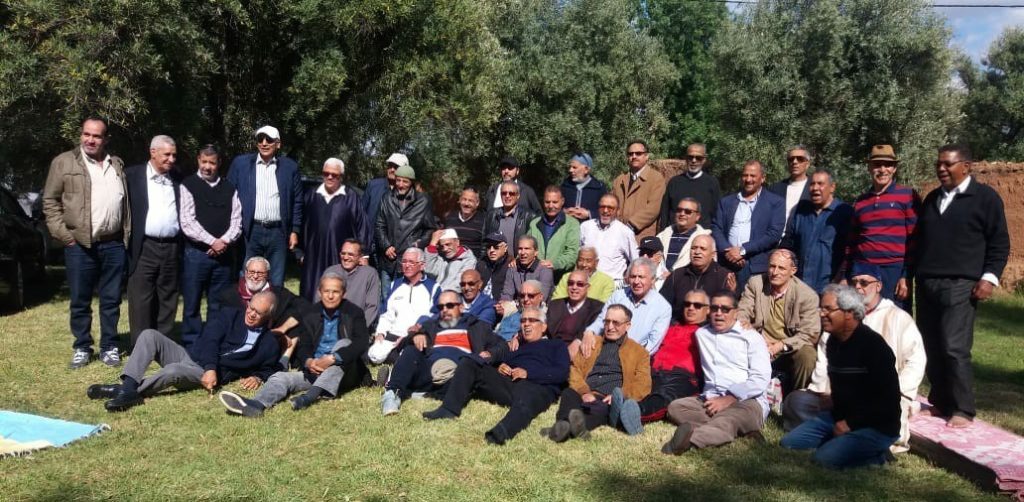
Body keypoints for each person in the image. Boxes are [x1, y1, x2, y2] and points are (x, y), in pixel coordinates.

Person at [914, 144, 1010, 428]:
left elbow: (999, 242)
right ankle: (941, 401)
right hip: (928, 282)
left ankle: (963, 409)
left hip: (961, 284)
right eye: (939, 164)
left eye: (948, 164)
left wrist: (989, 278)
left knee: (954, 346)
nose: (941, 168)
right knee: (931, 344)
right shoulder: (933, 199)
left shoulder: (985, 199)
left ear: (966, 166)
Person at [784, 262, 926, 453]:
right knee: (796, 401)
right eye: (854, 282)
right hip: (843, 397)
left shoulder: (899, 318)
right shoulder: (837, 319)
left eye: (864, 283)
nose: (858, 287)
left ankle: (864, 444)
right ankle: (840, 435)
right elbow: (825, 359)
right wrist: (822, 389)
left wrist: (901, 392)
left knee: (888, 417)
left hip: (884, 396)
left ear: (878, 286)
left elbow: (915, 360)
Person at [87, 291, 283, 412]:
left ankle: (124, 392)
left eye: (258, 313)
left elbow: (270, 368)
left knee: (173, 371)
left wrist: (258, 377)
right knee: (149, 335)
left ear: (268, 316)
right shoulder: (230, 315)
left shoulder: (268, 344)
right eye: (251, 307)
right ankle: (128, 387)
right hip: (193, 356)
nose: (251, 313)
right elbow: (210, 339)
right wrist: (210, 367)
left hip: (202, 373)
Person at [781, 285, 901, 468]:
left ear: (849, 313)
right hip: (839, 418)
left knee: (823, 460)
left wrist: (850, 424)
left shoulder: (874, 347)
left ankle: (878, 456)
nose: (821, 314)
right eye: (821, 308)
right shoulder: (833, 343)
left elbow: (886, 402)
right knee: (789, 443)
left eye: (828, 309)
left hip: (876, 426)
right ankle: (844, 444)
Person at [42, 116, 130, 369]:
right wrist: (65, 236)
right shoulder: (64, 162)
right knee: (80, 300)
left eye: (96, 136)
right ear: (81, 135)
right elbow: (50, 201)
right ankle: (82, 347)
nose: (90, 140)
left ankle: (109, 346)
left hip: (113, 244)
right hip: (79, 244)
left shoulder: (116, 163)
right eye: (86, 134)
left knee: (111, 300)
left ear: (106, 139)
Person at [218, 273, 368, 416]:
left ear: (344, 293)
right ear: (319, 292)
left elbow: (361, 343)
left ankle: (309, 397)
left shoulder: (354, 313)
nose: (330, 296)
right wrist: (309, 361)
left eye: (335, 292)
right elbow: (304, 345)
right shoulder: (311, 313)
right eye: (326, 291)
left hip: (346, 373)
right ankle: (256, 405)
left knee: (343, 344)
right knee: (280, 377)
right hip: (314, 372)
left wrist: (332, 359)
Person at [422, 306, 570, 445]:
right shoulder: (516, 347)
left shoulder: (556, 345)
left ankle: (501, 433)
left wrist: (529, 374)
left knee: (528, 399)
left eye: (532, 320)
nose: (526, 324)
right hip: (509, 384)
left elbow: (562, 373)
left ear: (543, 327)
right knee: (470, 362)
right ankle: (448, 409)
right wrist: (500, 366)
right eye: (523, 320)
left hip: (537, 386)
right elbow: (500, 361)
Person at [661, 291, 771, 455]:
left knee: (730, 419)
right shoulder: (702, 334)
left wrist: (730, 398)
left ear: (736, 312)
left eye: (725, 309)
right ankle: (742, 430)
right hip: (711, 399)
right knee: (676, 408)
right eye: (714, 308)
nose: (719, 313)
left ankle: (689, 440)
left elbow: (761, 379)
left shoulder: (751, 337)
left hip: (747, 400)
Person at [381, 290, 503, 416]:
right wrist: (415, 336)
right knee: (410, 351)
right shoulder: (431, 326)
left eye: (449, 306)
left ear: (461, 307)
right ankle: (392, 394)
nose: (444, 310)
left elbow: (502, 345)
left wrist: (491, 354)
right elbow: (402, 346)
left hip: (457, 374)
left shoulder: (476, 326)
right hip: (429, 371)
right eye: (440, 307)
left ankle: (417, 391)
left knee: (466, 378)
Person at [544, 304, 651, 441]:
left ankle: (571, 428)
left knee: (600, 410)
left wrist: (621, 395)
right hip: (584, 392)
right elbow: (575, 368)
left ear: (627, 326)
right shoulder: (592, 343)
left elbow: (643, 384)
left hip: (606, 398)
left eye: (616, 323)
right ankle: (563, 425)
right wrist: (584, 392)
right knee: (569, 393)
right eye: (607, 321)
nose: (610, 327)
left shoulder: (639, 353)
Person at [839, 144, 919, 309]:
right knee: (863, 317)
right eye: (877, 165)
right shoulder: (861, 201)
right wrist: (845, 274)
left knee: (894, 318)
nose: (882, 169)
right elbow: (851, 243)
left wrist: (906, 275)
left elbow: (915, 239)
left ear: (894, 168)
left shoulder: (907, 196)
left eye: (887, 165)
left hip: (893, 271)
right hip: (863, 270)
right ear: (869, 168)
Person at [179, 144, 242, 349]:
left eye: (212, 163)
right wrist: (212, 241)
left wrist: (224, 242)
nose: (207, 167)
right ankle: (192, 344)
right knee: (192, 303)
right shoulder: (188, 185)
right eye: (204, 161)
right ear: (198, 160)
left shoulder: (230, 188)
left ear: (219, 163)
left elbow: (237, 221)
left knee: (218, 304)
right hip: (196, 255)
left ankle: (213, 342)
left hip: (223, 257)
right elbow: (187, 222)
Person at [227, 125, 303, 288]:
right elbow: (228, 196)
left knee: (276, 281)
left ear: (278, 144)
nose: (264, 143)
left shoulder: (290, 168)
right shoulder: (241, 164)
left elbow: (297, 201)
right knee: (247, 279)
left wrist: (295, 230)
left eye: (269, 139)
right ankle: (247, 306)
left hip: (278, 233)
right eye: (260, 139)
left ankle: (273, 305)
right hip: (250, 232)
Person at [125, 135, 182, 345]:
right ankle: (141, 347)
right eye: (167, 154)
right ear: (153, 152)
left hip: (172, 246)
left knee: (168, 298)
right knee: (141, 298)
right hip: (144, 246)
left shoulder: (178, 177)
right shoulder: (132, 175)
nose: (171, 159)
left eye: (174, 155)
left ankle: (163, 345)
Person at [738, 249, 820, 393]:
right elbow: (742, 312)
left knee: (808, 355)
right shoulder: (756, 283)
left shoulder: (807, 295)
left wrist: (780, 345)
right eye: (772, 266)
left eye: (781, 268)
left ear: (793, 271)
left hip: (788, 349)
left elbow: (810, 333)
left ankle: (797, 397)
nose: (775, 272)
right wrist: (755, 338)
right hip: (758, 344)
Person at [298, 157, 370, 301]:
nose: (329, 177)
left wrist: (364, 255)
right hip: (313, 258)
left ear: (341, 177)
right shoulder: (311, 195)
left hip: (340, 257)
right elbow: (300, 224)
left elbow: (362, 226)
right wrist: (299, 253)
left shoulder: (351, 198)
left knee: (338, 293)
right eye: (326, 173)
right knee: (311, 295)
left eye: (334, 175)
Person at [711, 159, 785, 291]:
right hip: (727, 264)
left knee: (751, 302)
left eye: (753, 176)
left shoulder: (775, 203)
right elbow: (716, 227)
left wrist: (743, 250)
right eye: (745, 175)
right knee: (725, 301)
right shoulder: (726, 202)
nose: (748, 179)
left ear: (762, 178)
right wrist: (728, 251)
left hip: (755, 267)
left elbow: (774, 234)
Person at [640, 290, 708, 423]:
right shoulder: (668, 325)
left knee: (663, 396)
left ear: (708, 310)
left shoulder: (709, 332)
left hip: (682, 376)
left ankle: (635, 413)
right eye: (687, 304)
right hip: (653, 370)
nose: (691, 308)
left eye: (697, 305)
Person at [780, 170, 853, 293]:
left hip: (828, 288)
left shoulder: (844, 212)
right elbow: (790, 243)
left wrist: (839, 279)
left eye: (820, 184)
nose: (815, 188)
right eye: (812, 184)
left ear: (832, 187)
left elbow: (850, 251)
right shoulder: (801, 211)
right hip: (799, 285)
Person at [582, 258, 671, 356]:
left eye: (641, 277)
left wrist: (629, 358)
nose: (636, 281)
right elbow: (601, 320)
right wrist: (590, 331)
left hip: (635, 357)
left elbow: (652, 344)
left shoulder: (663, 307)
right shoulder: (618, 296)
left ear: (653, 279)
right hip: (607, 350)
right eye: (633, 276)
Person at [369, 248, 440, 366]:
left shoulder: (433, 287)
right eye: (404, 261)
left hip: (416, 335)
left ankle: (399, 360)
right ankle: (397, 357)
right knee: (374, 355)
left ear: (422, 265)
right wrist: (380, 333)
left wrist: (419, 326)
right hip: (394, 335)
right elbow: (386, 314)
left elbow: (436, 315)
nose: (407, 265)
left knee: (411, 354)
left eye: (411, 262)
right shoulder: (395, 284)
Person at [374, 163, 437, 290]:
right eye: (398, 180)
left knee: (406, 295)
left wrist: (417, 244)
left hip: (410, 261)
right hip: (388, 261)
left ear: (411, 182)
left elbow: (430, 229)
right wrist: (386, 245)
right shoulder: (386, 198)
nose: (401, 184)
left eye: (405, 181)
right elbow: (379, 225)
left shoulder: (423, 201)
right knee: (386, 297)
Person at [660, 234, 735, 324]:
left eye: (703, 249)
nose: (697, 252)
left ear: (713, 254)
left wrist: (731, 294)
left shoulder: (724, 277)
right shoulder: (677, 275)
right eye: (694, 248)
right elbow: (662, 306)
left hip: (709, 328)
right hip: (678, 326)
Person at [579, 193, 639, 284]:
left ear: (618, 211)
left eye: (610, 208)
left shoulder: (625, 232)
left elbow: (636, 261)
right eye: (602, 207)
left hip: (612, 284)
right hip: (586, 282)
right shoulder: (585, 227)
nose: (605, 211)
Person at [612, 140, 666, 240]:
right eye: (631, 154)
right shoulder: (619, 180)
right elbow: (612, 205)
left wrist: (631, 225)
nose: (634, 156)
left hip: (641, 237)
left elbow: (653, 209)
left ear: (646, 156)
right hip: (618, 236)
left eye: (638, 153)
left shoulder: (656, 178)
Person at [321, 239, 381, 327]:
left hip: (357, 327)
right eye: (343, 253)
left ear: (360, 257)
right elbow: (319, 301)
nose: (345, 258)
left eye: (350, 254)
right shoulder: (330, 271)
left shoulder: (369, 274)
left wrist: (359, 328)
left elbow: (372, 307)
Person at [660, 143, 721, 228]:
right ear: (686, 158)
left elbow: (716, 213)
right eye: (690, 157)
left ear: (704, 160)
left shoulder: (712, 183)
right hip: (676, 233)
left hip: (701, 233)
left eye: (698, 158)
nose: (694, 160)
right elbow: (665, 211)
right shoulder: (674, 182)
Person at [546, 270, 604, 359]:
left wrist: (579, 340)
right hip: (552, 350)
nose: (574, 287)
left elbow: (594, 331)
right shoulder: (555, 305)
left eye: (580, 284)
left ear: (588, 287)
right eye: (570, 283)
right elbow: (545, 329)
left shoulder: (597, 307)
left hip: (579, 354)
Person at [527, 186, 580, 279]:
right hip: (535, 277)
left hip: (560, 279)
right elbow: (526, 247)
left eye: (555, 202)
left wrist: (554, 264)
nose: (551, 206)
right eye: (547, 202)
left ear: (562, 201)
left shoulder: (572, 224)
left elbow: (572, 253)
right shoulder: (534, 224)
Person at [362, 153, 406, 258]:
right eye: (390, 166)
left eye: (396, 167)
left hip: (389, 249)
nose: (392, 169)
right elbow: (360, 214)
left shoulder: (406, 193)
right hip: (368, 243)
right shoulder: (373, 185)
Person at [656, 197, 711, 273]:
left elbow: (708, 269)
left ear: (697, 216)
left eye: (688, 211)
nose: (682, 214)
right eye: (679, 210)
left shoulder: (706, 240)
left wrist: (674, 275)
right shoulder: (662, 236)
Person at [482, 181, 538, 251]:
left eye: (511, 193)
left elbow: (534, 244)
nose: (507, 196)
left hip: (519, 258)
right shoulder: (491, 215)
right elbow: (484, 243)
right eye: (504, 193)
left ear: (518, 196)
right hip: (495, 258)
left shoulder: (529, 216)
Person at [767, 146, 813, 226]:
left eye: (800, 159)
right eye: (791, 159)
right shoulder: (775, 189)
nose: (795, 162)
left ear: (807, 164)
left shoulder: (815, 189)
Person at [550, 247, 616, 302]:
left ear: (596, 262)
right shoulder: (567, 277)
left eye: (588, 261)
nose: (584, 264)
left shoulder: (607, 281)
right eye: (580, 260)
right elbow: (556, 301)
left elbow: (603, 306)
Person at [500, 235, 553, 302]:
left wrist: (515, 305)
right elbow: (507, 294)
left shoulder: (545, 270)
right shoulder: (513, 269)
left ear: (536, 252)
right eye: (520, 249)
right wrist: (504, 304)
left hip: (540, 306)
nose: (522, 252)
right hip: (518, 305)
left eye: (527, 249)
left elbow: (541, 298)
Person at [424, 228, 477, 293]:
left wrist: (437, 293)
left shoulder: (468, 260)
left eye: (448, 244)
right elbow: (429, 271)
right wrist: (432, 244)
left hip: (450, 296)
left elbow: (458, 285)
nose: (445, 249)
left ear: (457, 242)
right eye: (442, 246)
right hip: (433, 292)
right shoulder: (442, 256)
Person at [560, 152, 608, 222]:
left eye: (574, 167)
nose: (570, 170)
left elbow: (606, 211)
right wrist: (564, 211)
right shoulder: (565, 186)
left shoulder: (599, 188)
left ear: (586, 170)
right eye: (570, 167)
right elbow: (555, 206)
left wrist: (589, 214)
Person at [443, 187, 487, 259]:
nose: (466, 203)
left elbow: (485, 248)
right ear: (459, 200)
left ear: (477, 203)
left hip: (473, 262)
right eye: (464, 199)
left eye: (470, 200)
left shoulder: (483, 221)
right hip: (450, 262)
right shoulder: (449, 218)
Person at [476, 232, 512, 299]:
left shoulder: (510, 265)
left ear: (505, 248)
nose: (491, 250)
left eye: (496, 247)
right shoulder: (481, 263)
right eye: (488, 247)